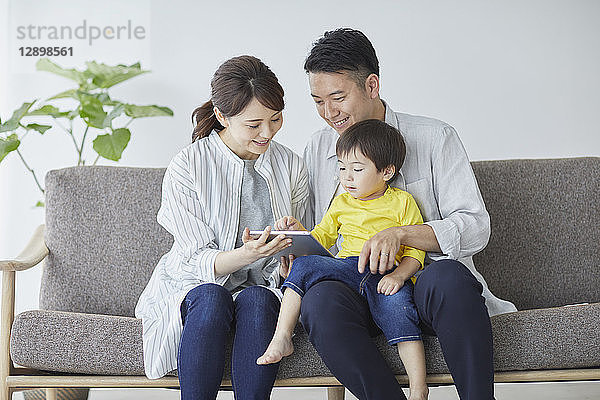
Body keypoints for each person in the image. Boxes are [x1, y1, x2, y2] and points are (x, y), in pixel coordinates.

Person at [296, 28, 517, 400]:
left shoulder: (433, 137)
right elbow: (323, 233)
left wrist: (402, 234)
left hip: (423, 287)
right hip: (358, 286)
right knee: (319, 300)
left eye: (338, 97)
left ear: (371, 85)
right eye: (318, 101)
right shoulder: (318, 148)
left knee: (448, 275)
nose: (328, 113)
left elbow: (475, 227)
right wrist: (293, 243)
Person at [134, 55, 308, 400]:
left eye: (275, 119)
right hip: (199, 284)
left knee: (258, 300)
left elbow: (310, 242)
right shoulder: (189, 165)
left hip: (264, 287)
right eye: (254, 124)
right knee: (213, 298)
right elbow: (195, 258)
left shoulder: (290, 163)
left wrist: (294, 245)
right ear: (222, 115)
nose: (268, 133)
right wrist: (246, 254)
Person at [257, 119, 429, 400]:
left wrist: (399, 277)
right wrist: (298, 232)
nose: (346, 177)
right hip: (347, 268)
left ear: (387, 171)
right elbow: (321, 239)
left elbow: (415, 252)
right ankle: (282, 337)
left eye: (357, 170)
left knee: (401, 313)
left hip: (386, 272)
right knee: (303, 264)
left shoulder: (402, 202)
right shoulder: (341, 202)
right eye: (341, 168)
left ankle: (418, 389)